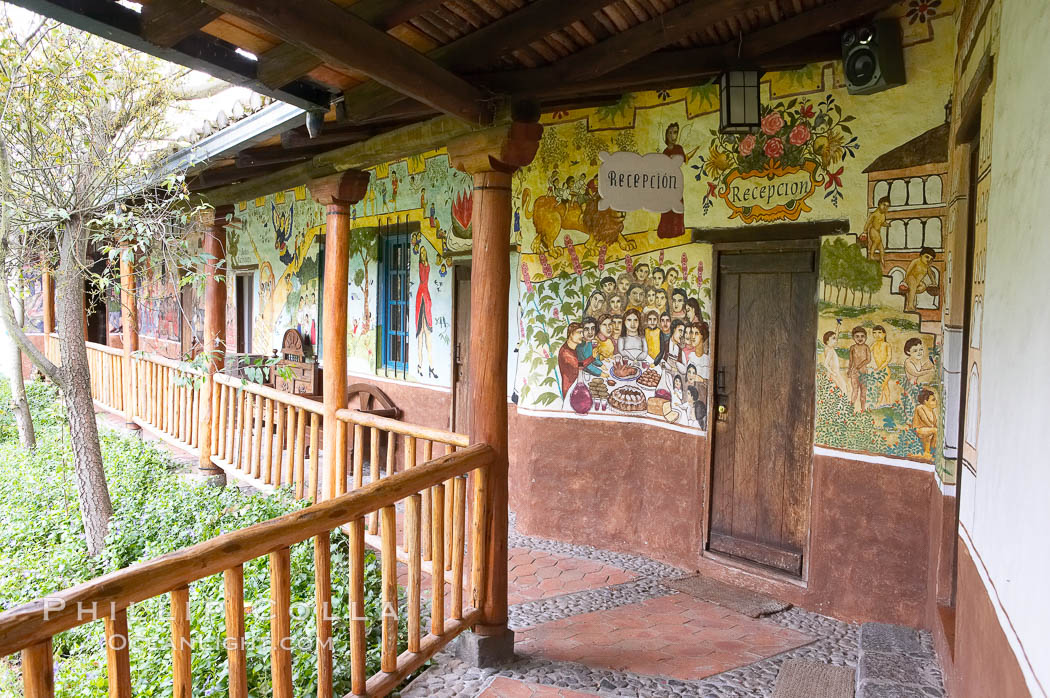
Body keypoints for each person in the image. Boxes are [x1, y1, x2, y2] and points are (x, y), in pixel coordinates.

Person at [656, 122, 699, 238]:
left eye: (675, 132)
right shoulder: (665, 151)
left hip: (676, 182)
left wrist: (697, 148)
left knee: (677, 207)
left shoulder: (679, 149)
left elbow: (686, 158)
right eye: (670, 133)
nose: (673, 136)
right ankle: (665, 231)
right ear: (666, 135)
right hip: (667, 183)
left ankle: (677, 231)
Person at [558, 323, 605, 396]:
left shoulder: (575, 347)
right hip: (571, 388)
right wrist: (592, 357)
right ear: (571, 334)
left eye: (582, 333)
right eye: (579, 332)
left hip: (579, 382)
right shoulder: (565, 353)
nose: (582, 335)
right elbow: (579, 365)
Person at [415, 246, 437, 379]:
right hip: (421, 299)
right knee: (420, 340)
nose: (423, 254)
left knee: (429, 340)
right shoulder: (420, 266)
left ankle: (431, 366)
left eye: (424, 252)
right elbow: (423, 278)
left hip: (426, 299)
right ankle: (419, 365)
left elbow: (426, 279)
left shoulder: (426, 266)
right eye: (421, 253)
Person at [903, 247, 937, 312]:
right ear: (921, 255)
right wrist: (905, 280)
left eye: (931, 259)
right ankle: (910, 305)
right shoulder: (916, 261)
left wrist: (934, 282)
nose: (928, 260)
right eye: (927, 257)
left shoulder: (927, 266)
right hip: (910, 278)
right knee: (913, 284)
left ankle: (910, 293)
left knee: (923, 286)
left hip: (918, 282)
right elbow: (909, 270)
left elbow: (931, 275)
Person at [847, 326, 871, 412]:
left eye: (862, 336)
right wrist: (849, 370)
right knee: (855, 390)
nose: (860, 338)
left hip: (864, 372)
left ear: (866, 337)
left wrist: (860, 365)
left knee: (863, 392)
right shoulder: (852, 348)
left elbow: (868, 359)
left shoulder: (866, 347)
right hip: (854, 372)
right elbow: (851, 360)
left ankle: (863, 410)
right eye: (857, 336)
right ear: (853, 337)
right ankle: (851, 409)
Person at [912, 388, 939, 457]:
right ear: (925, 401)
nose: (936, 401)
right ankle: (933, 450)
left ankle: (930, 451)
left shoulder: (931, 411)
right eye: (933, 400)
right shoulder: (920, 408)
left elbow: (934, 423)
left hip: (927, 429)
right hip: (918, 430)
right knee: (935, 430)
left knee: (935, 431)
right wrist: (933, 427)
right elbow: (925, 420)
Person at [822, 330, 850, 396]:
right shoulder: (830, 350)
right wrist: (833, 373)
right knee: (843, 389)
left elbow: (835, 335)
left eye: (836, 339)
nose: (836, 340)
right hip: (835, 373)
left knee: (839, 390)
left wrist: (838, 326)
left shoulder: (828, 348)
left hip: (834, 373)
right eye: (833, 338)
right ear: (827, 341)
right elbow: (825, 364)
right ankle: (843, 405)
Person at [863, 196, 890, 263]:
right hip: (873, 230)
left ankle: (882, 258)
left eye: (887, 206)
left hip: (878, 232)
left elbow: (882, 223)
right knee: (876, 241)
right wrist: (865, 231)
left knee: (881, 247)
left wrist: (886, 224)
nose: (885, 207)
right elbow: (868, 222)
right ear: (879, 204)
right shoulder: (874, 214)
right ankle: (871, 255)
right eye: (884, 205)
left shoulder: (883, 215)